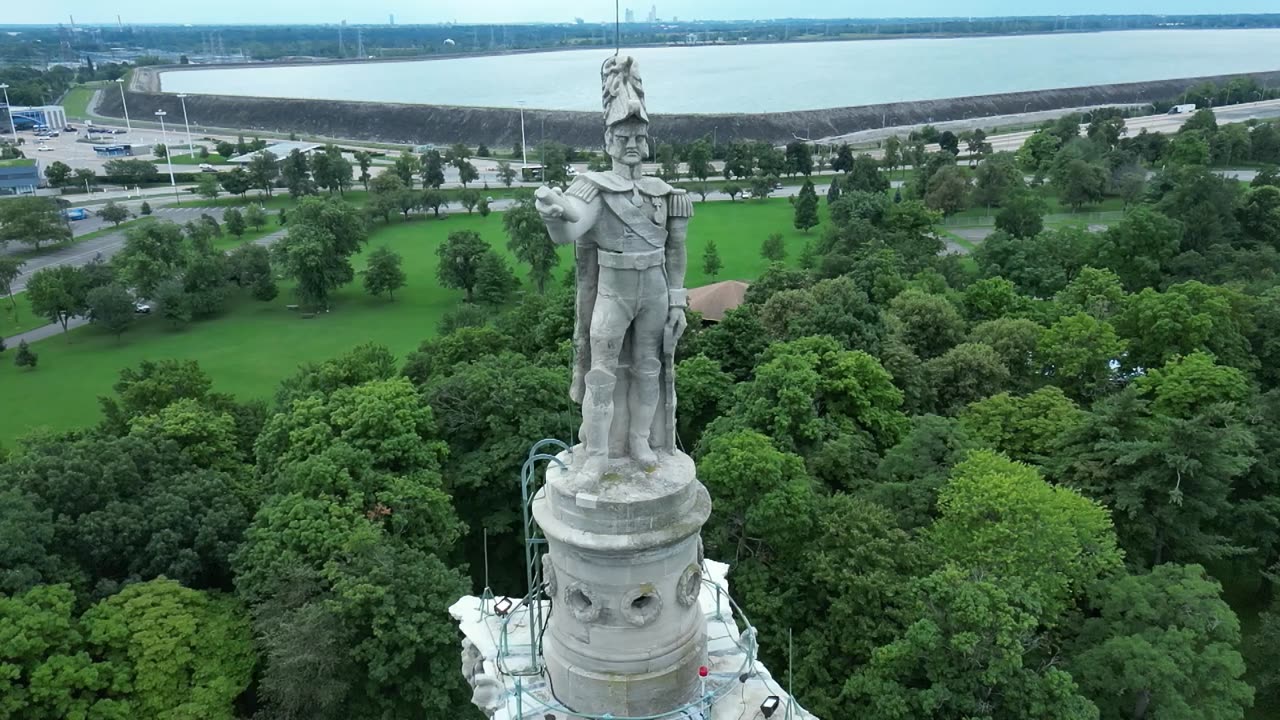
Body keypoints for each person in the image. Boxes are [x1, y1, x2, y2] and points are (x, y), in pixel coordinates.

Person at [535, 54, 692, 478]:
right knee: (601, 373)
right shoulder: (596, 189)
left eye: (639, 135)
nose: (632, 144)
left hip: (655, 291)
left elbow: (676, 251)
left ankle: (641, 441)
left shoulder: (666, 192)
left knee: (648, 369)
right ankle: (600, 453)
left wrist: (678, 302)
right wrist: (554, 211)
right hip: (613, 291)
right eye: (622, 135)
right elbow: (571, 226)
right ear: (607, 142)